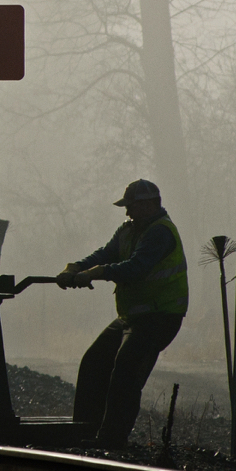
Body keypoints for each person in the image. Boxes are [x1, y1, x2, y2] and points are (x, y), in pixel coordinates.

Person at [55, 178, 189, 449]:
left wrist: (96, 273)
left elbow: (136, 267)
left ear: (149, 205)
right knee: (94, 361)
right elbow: (105, 253)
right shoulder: (128, 231)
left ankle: (111, 439)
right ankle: (84, 430)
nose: (127, 212)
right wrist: (76, 267)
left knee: (126, 368)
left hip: (159, 317)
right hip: (133, 318)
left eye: (131, 207)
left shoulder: (160, 233)